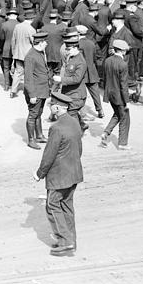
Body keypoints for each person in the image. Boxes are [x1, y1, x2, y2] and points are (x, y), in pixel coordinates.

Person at [33, 91, 84, 257]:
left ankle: (65, 240)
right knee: (67, 206)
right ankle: (71, 241)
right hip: (74, 172)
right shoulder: (75, 122)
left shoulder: (56, 128)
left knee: (52, 205)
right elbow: (79, 148)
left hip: (59, 176)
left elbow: (49, 154)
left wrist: (40, 173)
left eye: (51, 106)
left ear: (57, 107)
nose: (50, 108)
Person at [100, 39, 131, 151]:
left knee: (118, 114)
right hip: (119, 96)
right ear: (122, 51)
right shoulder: (123, 64)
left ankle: (106, 132)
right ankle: (123, 143)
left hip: (109, 93)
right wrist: (127, 101)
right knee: (125, 118)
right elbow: (124, 85)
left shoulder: (108, 60)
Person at [23, 32, 51, 149]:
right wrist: (32, 95)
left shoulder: (39, 53)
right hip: (36, 92)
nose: (46, 43)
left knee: (39, 113)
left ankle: (39, 136)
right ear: (39, 43)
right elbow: (28, 78)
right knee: (33, 115)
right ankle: (31, 140)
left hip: (42, 90)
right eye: (45, 41)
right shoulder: (31, 56)